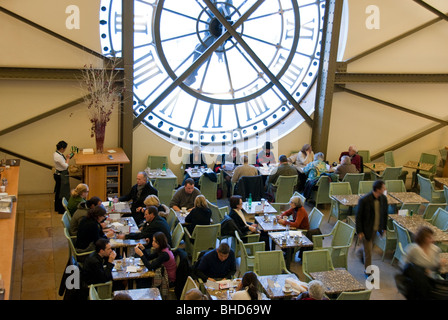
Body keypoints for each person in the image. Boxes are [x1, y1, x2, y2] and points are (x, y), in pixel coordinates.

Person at [356, 180, 388, 277]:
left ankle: (362, 253)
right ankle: (368, 272)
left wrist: (384, 227)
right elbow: (359, 216)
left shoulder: (383, 199)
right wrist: (360, 231)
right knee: (369, 252)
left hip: (377, 229)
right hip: (367, 230)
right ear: (378, 189)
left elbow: (384, 214)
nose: (385, 189)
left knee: (370, 249)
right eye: (383, 188)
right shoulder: (364, 200)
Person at [53, 140, 71, 214]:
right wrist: (68, 159)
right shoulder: (58, 156)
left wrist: (66, 158)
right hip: (61, 176)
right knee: (62, 193)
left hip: (60, 174)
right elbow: (65, 166)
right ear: (62, 148)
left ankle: (58, 207)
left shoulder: (57, 153)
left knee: (59, 192)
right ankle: (61, 209)